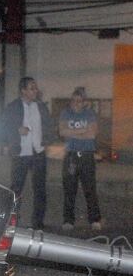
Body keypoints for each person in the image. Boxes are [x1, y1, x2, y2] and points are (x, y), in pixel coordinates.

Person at [2, 76, 51, 230]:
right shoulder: (13, 107)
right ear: (23, 90)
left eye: (35, 87)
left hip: (38, 152)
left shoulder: (41, 107)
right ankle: (12, 221)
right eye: (31, 88)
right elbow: (5, 126)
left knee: (40, 189)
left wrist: (47, 140)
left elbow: (49, 124)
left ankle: (38, 223)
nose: (35, 90)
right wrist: (17, 130)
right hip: (21, 152)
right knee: (16, 189)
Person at [58, 87, 102, 232]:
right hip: (71, 155)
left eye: (79, 101)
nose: (76, 103)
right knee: (69, 189)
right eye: (74, 100)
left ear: (84, 102)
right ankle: (68, 220)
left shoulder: (89, 113)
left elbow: (92, 135)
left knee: (90, 189)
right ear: (71, 101)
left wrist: (73, 133)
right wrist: (83, 131)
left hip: (87, 155)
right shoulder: (65, 113)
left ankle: (95, 219)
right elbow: (62, 131)